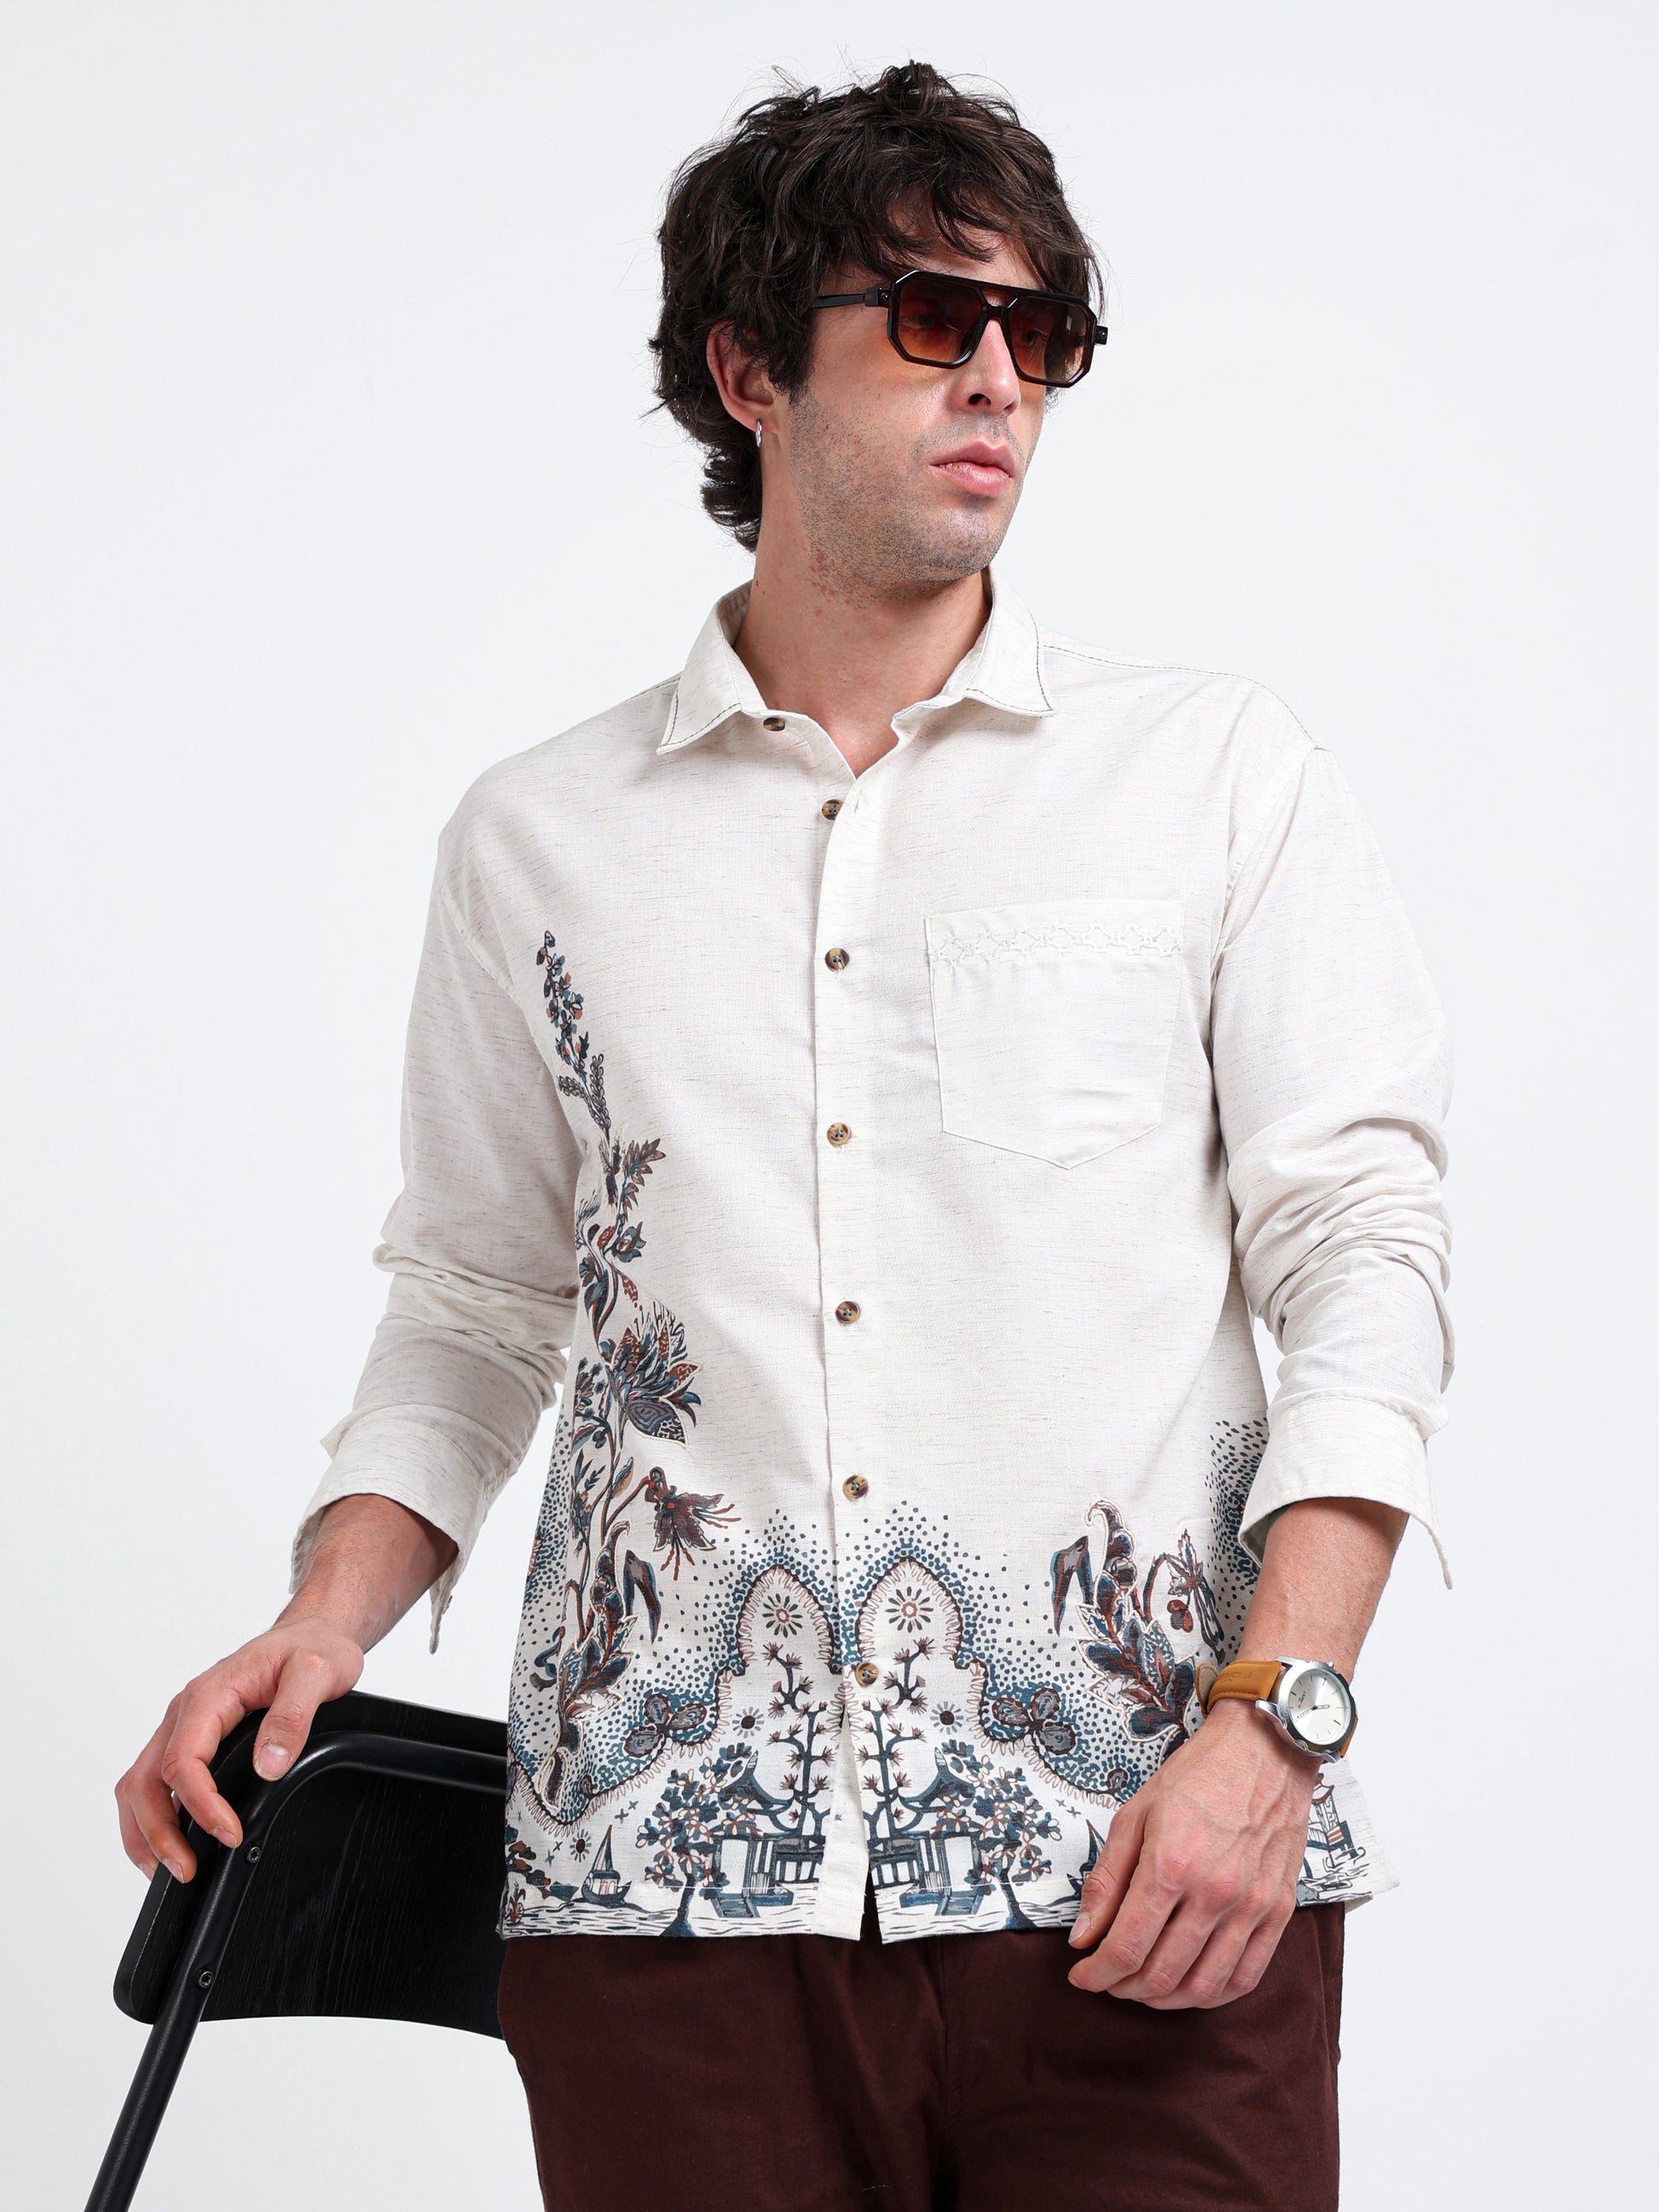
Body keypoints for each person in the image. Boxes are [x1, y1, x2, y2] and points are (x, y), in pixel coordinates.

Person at [113, 61, 1454, 2212]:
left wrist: (1274, 1719)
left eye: (1041, 331)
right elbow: (478, 1292)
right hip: (663, 1914)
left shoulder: (1215, 779)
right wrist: (324, 1616)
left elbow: (1363, 1251)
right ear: (749, 370)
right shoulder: (539, 839)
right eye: (931, 318)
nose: (1000, 377)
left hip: (1147, 1868)